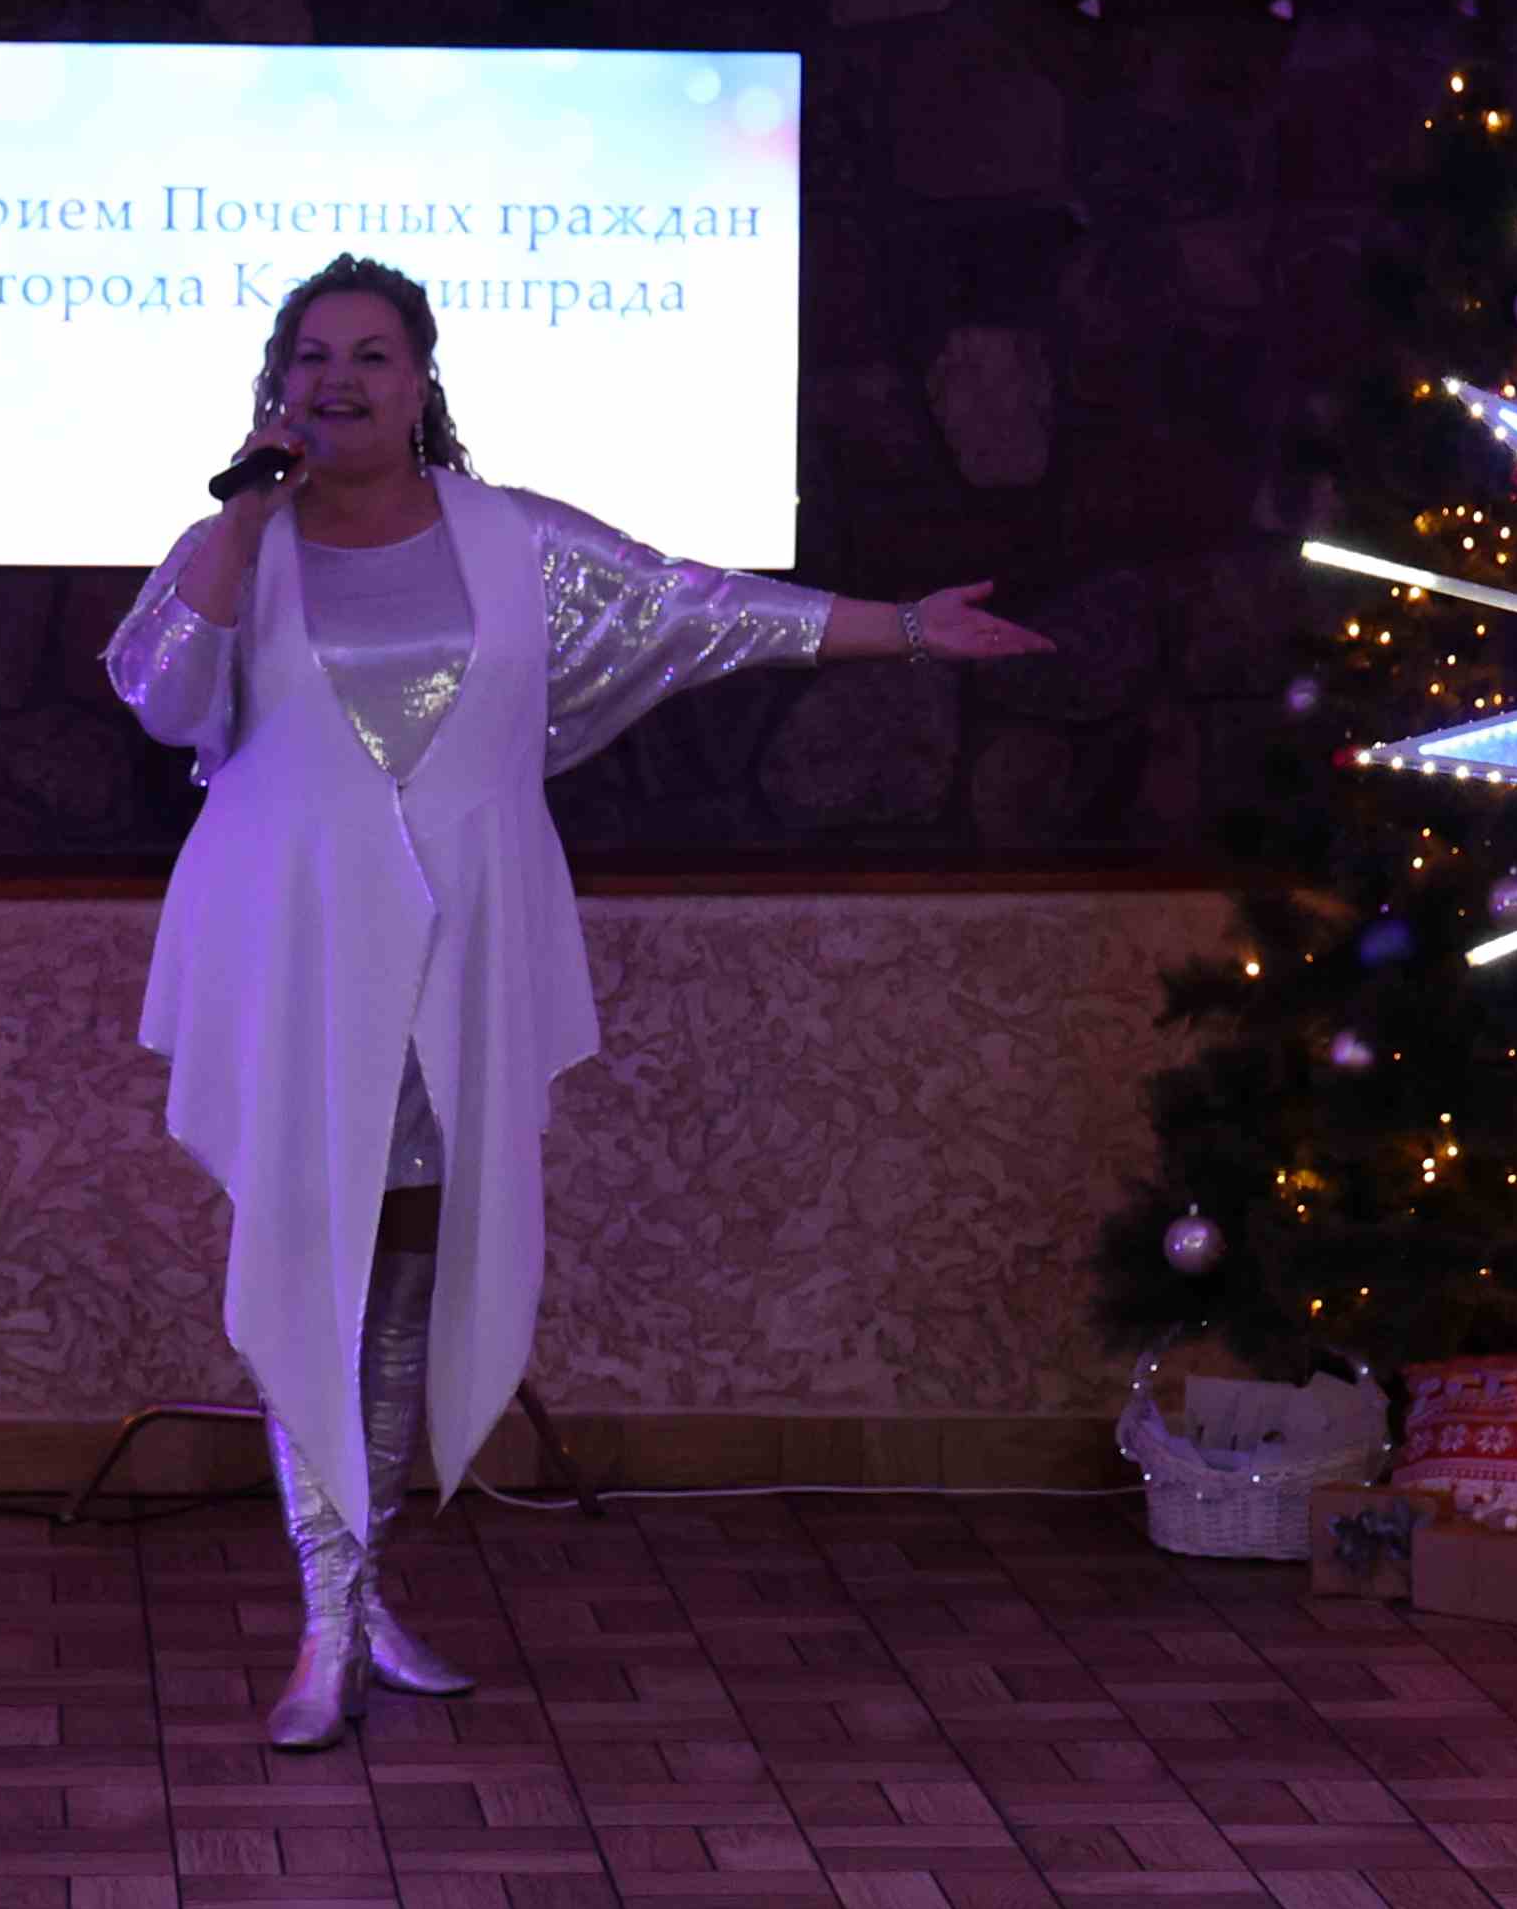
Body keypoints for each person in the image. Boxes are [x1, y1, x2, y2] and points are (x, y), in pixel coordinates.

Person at [109, 253, 1052, 1747]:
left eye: (371, 355)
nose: (340, 380)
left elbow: (699, 610)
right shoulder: (236, 543)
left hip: (460, 954)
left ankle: (356, 1596)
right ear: (278, 386)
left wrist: (908, 626)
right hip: (296, 955)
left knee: (405, 1273)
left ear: (421, 381)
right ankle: (326, 1617)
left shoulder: (513, 540)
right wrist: (239, 516)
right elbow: (165, 695)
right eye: (312, 357)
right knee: (307, 1265)